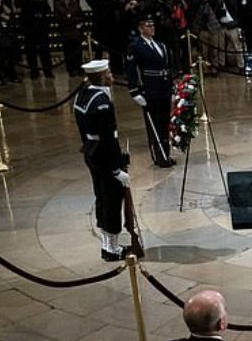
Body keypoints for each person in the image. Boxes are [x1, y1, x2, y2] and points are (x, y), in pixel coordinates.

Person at [72, 60, 133, 261]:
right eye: (109, 73)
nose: (112, 76)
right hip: (105, 158)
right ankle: (112, 250)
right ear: (102, 77)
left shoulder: (83, 95)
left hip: (91, 153)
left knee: (102, 199)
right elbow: (108, 139)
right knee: (113, 203)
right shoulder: (102, 103)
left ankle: (108, 245)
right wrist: (116, 170)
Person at [127, 16, 177, 168]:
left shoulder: (160, 45)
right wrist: (134, 92)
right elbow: (131, 70)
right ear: (141, 28)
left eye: (153, 25)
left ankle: (166, 153)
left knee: (164, 122)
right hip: (150, 88)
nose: (152, 28)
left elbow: (167, 68)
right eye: (148, 25)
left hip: (164, 88)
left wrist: (172, 87)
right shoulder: (136, 46)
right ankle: (158, 156)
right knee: (154, 124)